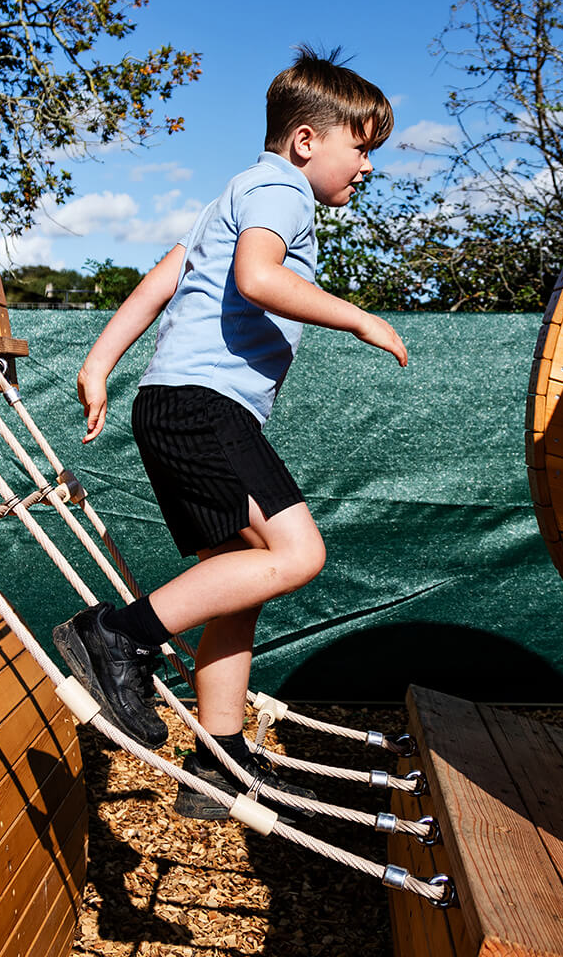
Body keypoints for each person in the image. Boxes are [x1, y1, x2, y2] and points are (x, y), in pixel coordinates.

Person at [52, 45, 407, 820]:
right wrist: (358, 318)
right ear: (308, 140)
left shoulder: (233, 193)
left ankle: (219, 761)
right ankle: (116, 634)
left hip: (179, 406)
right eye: (362, 147)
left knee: (239, 587)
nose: (369, 166)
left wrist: (100, 362)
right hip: (203, 406)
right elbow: (256, 279)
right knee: (297, 554)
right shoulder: (282, 190)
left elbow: (164, 277)